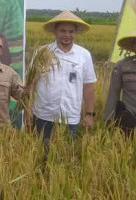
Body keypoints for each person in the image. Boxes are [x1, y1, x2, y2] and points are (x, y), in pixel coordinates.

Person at [26, 10, 97, 142]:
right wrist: (27, 111)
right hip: (43, 116)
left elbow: (89, 87)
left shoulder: (84, 55)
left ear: (75, 33)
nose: (67, 35)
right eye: (63, 31)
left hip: (70, 117)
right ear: (55, 31)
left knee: (66, 156)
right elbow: (31, 84)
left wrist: (89, 114)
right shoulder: (42, 52)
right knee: (40, 155)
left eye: (71, 31)